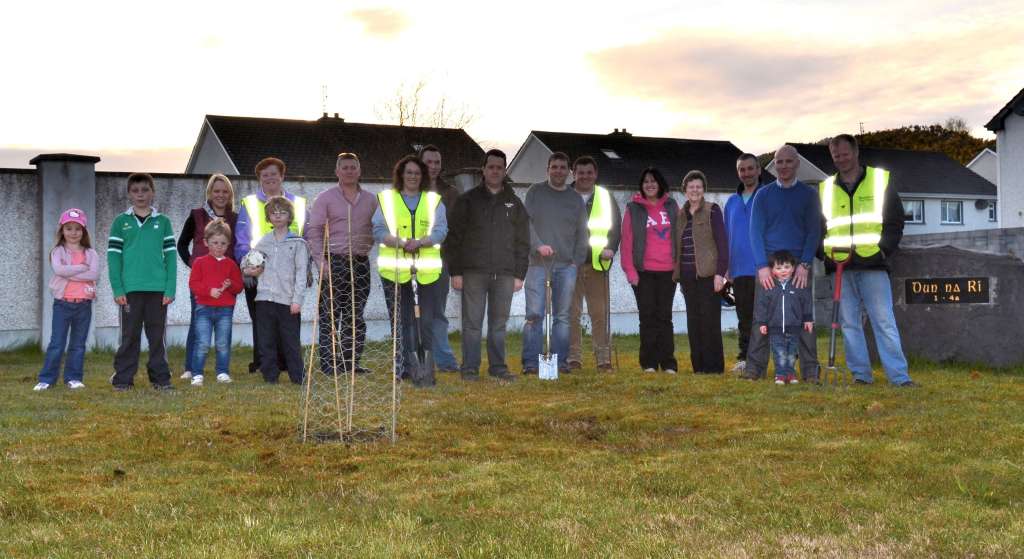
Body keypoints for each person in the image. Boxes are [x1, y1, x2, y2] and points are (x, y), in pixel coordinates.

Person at [821, 134, 916, 387]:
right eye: (836, 155)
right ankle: (861, 376)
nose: (841, 159)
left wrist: (883, 251)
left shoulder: (879, 181)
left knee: (884, 322)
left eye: (844, 153)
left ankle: (899, 377)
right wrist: (825, 254)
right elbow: (819, 227)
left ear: (856, 152)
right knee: (849, 325)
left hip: (872, 264)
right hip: (840, 268)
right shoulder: (826, 188)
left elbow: (895, 222)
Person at [445, 149, 528, 382]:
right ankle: (469, 369)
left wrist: (520, 274)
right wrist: (456, 271)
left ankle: (498, 367)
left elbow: (523, 241)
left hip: (504, 273)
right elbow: (455, 239)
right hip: (473, 272)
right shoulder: (467, 200)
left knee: (498, 324)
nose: (495, 171)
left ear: (504, 171)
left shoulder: (514, 203)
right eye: (491, 167)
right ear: (483, 170)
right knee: (472, 324)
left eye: (499, 167)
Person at [745, 144, 822, 382]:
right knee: (762, 318)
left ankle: (810, 372)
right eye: (779, 162)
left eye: (788, 161)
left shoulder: (809, 195)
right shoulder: (763, 195)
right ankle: (754, 370)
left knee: (803, 317)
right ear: (774, 165)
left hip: (799, 265)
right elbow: (755, 232)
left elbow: (814, 230)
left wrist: (805, 263)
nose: (783, 166)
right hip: (769, 265)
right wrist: (761, 266)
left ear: (797, 163)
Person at [372, 155, 448, 388]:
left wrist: (422, 242)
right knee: (403, 322)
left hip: (426, 274)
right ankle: (404, 366)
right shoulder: (387, 200)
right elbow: (378, 229)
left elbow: (441, 230)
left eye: (417, 172)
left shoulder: (434, 201)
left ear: (422, 176)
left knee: (425, 321)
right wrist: (401, 242)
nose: (413, 176)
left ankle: (425, 367)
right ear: (401, 175)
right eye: (409, 172)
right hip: (394, 273)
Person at [305, 153, 377, 378]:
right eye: (344, 167)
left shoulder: (371, 200)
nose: (349, 171)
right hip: (333, 262)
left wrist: (366, 248)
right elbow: (313, 231)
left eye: (353, 167)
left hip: (360, 263)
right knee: (329, 316)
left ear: (359, 171)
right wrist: (320, 262)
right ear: (337, 171)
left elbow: (377, 228)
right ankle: (328, 365)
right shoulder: (325, 198)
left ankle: (350, 363)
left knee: (355, 316)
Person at [235, 157, 307, 374]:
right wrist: (247, 267)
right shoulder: (248, 203)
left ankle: (287, 364)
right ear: (259, 179)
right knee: (262, 324)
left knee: (288, 322)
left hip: (288, 276)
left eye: (273, 174)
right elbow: (241, 239)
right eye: (264, 175)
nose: (269, 178)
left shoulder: (298, 203)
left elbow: (308, 235)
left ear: (282, 176)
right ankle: (264, 364)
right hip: (259, 275)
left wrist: (307, 266)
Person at [108, 173, 177, 391]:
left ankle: (161, 379)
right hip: (130, 291)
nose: (140, 195)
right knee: (129, 337)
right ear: (129, 194)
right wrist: (118, 288)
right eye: (136, 191)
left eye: (145, 190)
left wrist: (170, 288)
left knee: (157, 337)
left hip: (157, 290)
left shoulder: (163, 222)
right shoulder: (121, 222)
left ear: (152, 193)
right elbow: (113, 258)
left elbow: (172, 258)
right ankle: (123, 379)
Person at [522, 152, 589, 374]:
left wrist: (576, 262)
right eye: (554, 167)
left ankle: (559, 363)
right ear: (547, 169)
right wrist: (538, 245)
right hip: (537, 264)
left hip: (565, 267)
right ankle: (531, 364)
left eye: (562, 167)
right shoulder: (535, 192)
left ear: (568, 171)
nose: (558, 171)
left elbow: (582, 233)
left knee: (562, 316)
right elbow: (526, 224)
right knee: (534, 315)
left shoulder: (575, 199)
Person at [177, 173, 238, 381]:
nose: (220, 195)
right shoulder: (197, 214)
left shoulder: (235, 218)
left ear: (230, 194)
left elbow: (239, 248)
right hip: (202, 283)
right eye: (216, 191)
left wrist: (236, 274)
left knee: (224, 326)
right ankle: (190, 367)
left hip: (225, 283)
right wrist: (193, 265)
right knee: (197, 323)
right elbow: (182, 244)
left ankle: (222, 370)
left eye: (224, 191)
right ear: (209, 193)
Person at [243, 196, 309, 384]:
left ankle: (298, 376)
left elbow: (301, 273)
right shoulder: (263, 242)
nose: (278, 216)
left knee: (290, 341)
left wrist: (297, 300)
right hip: (264, 299)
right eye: (274, 213)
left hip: (287, 300)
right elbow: (248, 261)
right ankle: (270, 376)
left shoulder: (298, 243)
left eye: (283, 212)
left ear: (290, 216)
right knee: (266, 340)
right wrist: (247, 270)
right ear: (268, 217)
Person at [620, 168, 679, 374]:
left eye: (653, 181)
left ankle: (669, 363)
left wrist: (678, 268)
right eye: (646, 181)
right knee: (647, 318)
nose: (650, 184)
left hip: (668, 272)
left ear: (660, 183)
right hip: (643, 273)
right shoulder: (633, 209)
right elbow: (626, 243)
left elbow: (678, 238)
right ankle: (649, 363)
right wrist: (630, 272)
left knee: (664, 317)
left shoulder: (672, 206)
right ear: (641, 185)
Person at [35, 209, 100, 391]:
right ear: (62, 230)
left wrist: (71, 271)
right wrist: (81, 268)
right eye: (69, 228)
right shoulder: (58, 251)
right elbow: (59, 270)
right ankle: (47, 379)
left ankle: (73, 378)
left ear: (83, 231)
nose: (73, 233)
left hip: (84, 305)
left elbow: (94, 273)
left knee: (78, 344)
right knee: (57, 343)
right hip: (63, 304)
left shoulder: (91, 254)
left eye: (77, 229)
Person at [567, 156, 621, 371]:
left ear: (595, 174)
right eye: (580, 172)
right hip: (570, 265)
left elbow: (615, 227)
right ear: (574, 173)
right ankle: (573, 358)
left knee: (599, 314)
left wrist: (611, 248)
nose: (585, 176)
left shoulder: (606, 197)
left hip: (598, 264)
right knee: (572, 313)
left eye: (589, 172)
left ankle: (603, 359)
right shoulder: (564, 195)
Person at [672, 170, 729, 374]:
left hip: (709, 277)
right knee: (694, 322)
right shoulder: (680, 215)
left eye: (698, 186)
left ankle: (714, 367)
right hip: (687, 278)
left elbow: (722, 244)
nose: (695, 190)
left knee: (710, 322)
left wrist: (720, 274)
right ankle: (699, 367)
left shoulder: (712, 210)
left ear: (703, 189)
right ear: (685, 190)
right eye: (691, 186)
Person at [419, 145, 461, 373]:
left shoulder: (451, 193)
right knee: (414, 313)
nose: (433, 167)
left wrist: (455, 267)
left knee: (437, 311)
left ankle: (444, 360)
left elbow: (456, 233)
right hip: (410, 260)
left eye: (436, 162)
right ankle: (416, 359)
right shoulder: (409, 188)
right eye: (428, 162)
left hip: (440, 261)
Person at [187, 219, 243, 386]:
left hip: (225, 310)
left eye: (223, 243)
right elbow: (193, 284)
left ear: (229, 244)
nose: (219, 246)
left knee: (223, 343)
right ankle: (197, 374)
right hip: (203, 308)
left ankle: (222, 372)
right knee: (202, 342)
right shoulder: (199, 262)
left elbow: (239, 287)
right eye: (215, 243)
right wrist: (209, 291)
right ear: (206, 242)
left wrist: (230, 285)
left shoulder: (232, 265)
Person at [724, 154, 763, 374]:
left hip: (765, 268)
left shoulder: (768, 196)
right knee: (745, 317)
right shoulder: (731, 202)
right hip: (739, 270)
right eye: (742, 169)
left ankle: (777, 356)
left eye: (750, 168)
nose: (746, 173)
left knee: (769, 316)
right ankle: (746, 358)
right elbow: (728, 235)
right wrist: (727, 267)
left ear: (758, 170)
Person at [754, 251, 813, 385]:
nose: (783, 270)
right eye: (779, 268)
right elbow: (761, 305)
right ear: (772, 270)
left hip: (794, 327)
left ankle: (790, 374)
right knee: (779, 353)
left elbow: (806, 302)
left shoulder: (798, 286)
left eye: (786, 267)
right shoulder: (769, 287)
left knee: (792, 353)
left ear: (793, 268)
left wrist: (808, 319)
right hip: (775, 328)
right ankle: (780, 374)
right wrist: (762, 323)